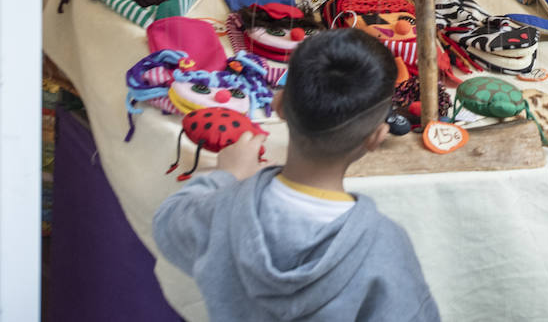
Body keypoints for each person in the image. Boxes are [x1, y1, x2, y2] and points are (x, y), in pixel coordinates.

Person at [153, 29, 440, 322]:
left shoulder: (220, 210)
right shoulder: (385, 246)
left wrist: (227, 175)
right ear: (377, 136)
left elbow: (167, 223)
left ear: (278, 105)